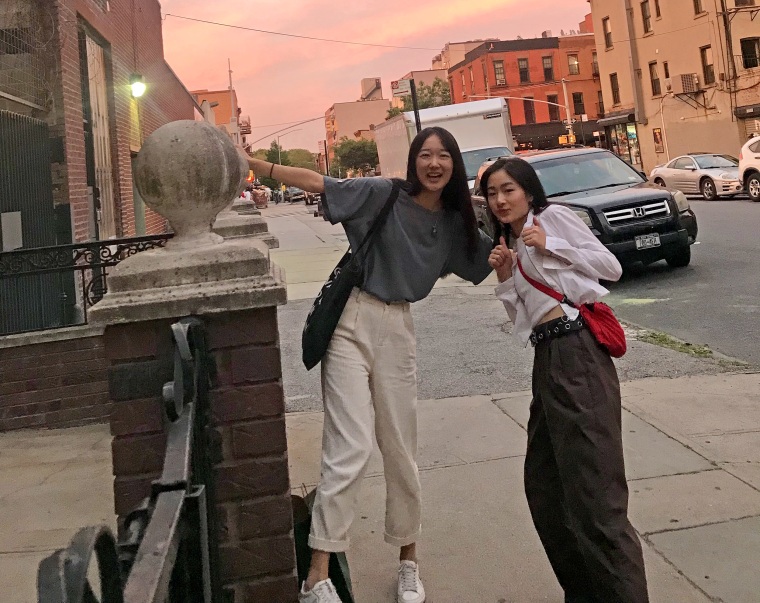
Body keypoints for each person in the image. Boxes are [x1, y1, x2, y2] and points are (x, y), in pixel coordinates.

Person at [242, 127, 493, 603]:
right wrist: (254, 164)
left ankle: (409, 562)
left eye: (444, 156)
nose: (434, 163)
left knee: (401, 447)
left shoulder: (458, 224)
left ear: (455, 165)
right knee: (349, 445)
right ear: (414, 160)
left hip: (399, 327)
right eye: (426, 155)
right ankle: (316, 576)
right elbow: (320, 183)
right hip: (351, 322)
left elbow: (497, 261)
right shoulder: (383, 194)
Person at [483, 157, 649, 603]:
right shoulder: (512, 244)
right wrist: (504, 278)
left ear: (529, 191)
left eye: (507, 190)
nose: (499, 200)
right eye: (492, 193)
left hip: (578, 353)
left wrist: (552, 244)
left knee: (598, 502)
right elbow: (523, 321)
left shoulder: (552, 219)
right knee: (546, 489)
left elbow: (609, 266)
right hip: (548, 358)